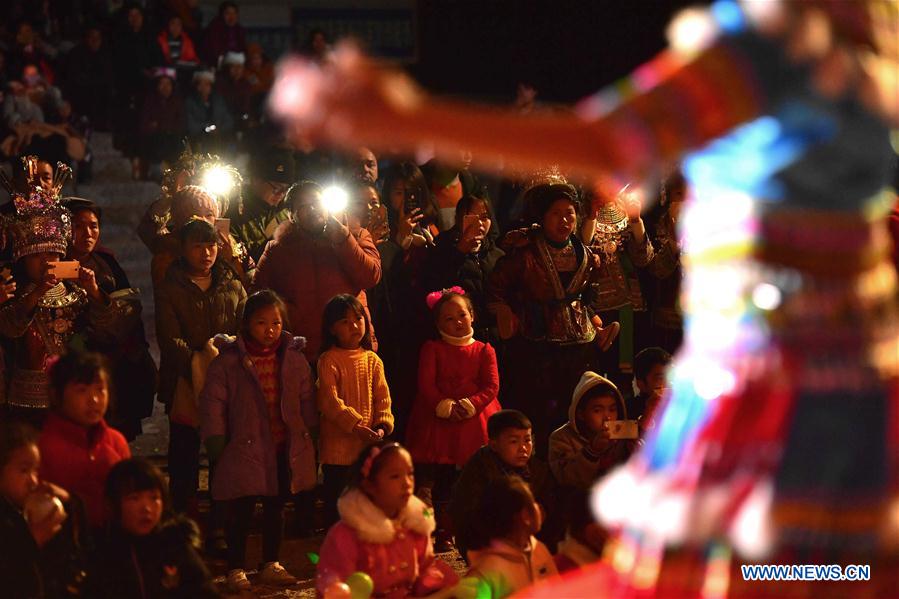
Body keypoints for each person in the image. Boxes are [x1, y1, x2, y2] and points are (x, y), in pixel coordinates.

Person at [268, 0, 899, 593]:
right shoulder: (863, 54)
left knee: (742, 575)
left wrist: (404, 117)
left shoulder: (777, 49)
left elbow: (606, 139)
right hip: (851, 376)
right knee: (822, 571)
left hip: (772, 383)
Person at [487, 173, 617, 455]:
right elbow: (496, 288)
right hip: (538, 341)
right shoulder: (525, 253)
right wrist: (507, 315)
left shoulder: (584, 254)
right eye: (556, 214)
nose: (564, 220)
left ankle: (579, 456)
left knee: (575, 403)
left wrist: (593, 319)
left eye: (569, 214)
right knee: (540, 407)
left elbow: (587, 296)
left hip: (578, 343)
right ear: (543, 218)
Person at [200, 290, 317, 592]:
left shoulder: (293, 359)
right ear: (247, 324)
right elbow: (213, 404)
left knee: (276, 508)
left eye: (276, 323)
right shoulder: (228, 363)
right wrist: (216, 440)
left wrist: (309, 431)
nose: (270, 330)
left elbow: (306, 398)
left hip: (281, 447)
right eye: (261, 322)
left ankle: (270, 563)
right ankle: (236, 567)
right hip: (244, 449)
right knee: (241, 510)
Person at [0, 161, 122, 421]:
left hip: (71, 396)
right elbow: (10, 327)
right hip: (26, 399)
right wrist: (37, 293)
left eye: (53, 254)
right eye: (37, 255)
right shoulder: (15, 292)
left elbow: (108, 327)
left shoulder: (75, 291)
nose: (46, 261)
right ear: (23, 259)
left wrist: (94, 291)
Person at [155, 219, 246, 518]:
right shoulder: (170, 287)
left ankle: (223, 517)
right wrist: (200, 364)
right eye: (198, 247)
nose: (206, 254)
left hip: (227, 382)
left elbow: (244, 328)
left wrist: (225, 365)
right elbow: (169, 339)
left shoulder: (232, 284)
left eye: (211, 246)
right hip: (184, 381)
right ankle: (185, 516)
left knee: (224, 451)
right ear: (183, 249)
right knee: (184, 452)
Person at [405, 288, 500, 551]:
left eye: (462, 315)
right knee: (443, 478)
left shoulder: (484, 350)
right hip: (439, 421)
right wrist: (444, 405)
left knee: (473, 477)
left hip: (475, 420)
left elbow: (492, 386)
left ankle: (473, 528)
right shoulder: (433, 349)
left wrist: (471, 404)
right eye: (449, 318)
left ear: (472, 315)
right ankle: (443, 531)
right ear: (438, 324)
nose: (458, 322)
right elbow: (426, 384)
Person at [254, 182, 382, 363]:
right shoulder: (278, 249)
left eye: (316, 202)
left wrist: (344, 239)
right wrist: (289, 312)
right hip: (303, 351)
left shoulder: (355, 234)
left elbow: (371, 276)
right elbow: (258, 295)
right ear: (291, 214)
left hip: (351, 344)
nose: (313, 209)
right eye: (304, 206)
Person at [316, 441, 459, 597]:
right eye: (395, 476)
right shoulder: (347, 535)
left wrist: (444, 584)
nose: (407, 483)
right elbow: (333, 579)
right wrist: (337, 589)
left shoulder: (413, 527)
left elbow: (425, 569)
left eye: (410, 474)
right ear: (369, 485)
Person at [65, 198, 156, 441]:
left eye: (93, 226)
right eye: (78, 226)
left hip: (117, 362)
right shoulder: (53, 266)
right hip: (77, 364)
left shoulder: (106, 263)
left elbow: (129, 311)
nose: (88, 233)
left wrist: (96, 293)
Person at [91, 458, 219, 598]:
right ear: (113, 504)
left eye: (154, 498)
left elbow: (206, 591)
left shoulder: (175, 546)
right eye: (134, 498)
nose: (146, 508)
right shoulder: (101, 555)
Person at [317, 293, 393, 526]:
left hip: (366, 446)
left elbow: (383, 399)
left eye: (358, 319)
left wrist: (381, 427)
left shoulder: (373, 360)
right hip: (337, 450)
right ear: (332, 328)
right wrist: (356, 425)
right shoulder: (329, 360)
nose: (354, 326)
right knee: (338, 502)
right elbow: (329, 401)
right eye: (345, 321)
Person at [38, 351, 130, 529]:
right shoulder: (42, 447)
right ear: (57, 395)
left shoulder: (116, 441)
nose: (94, 399)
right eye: (82, 390)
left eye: (100, 389)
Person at [450, 410, 557, 561]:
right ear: (494, 445)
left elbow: (549, 502)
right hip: (488, 541)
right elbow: (466, 513)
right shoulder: (480, 468)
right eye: (514, 441)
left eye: (527, 440)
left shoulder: (537, 469)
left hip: (529, 537)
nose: (523, 448)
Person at [0, 420, 89, 598]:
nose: (33, 481)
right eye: (24, 470)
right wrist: (32, 540)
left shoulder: (21, 510)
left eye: (35, 471)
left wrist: (69, 503)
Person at [423, 195, 503, 341]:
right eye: (472, 218)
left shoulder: (496, 254)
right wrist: (459, 252)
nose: (479, 223)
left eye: (484, 217)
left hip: (494, 336)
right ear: (459, 218)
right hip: (458, 337)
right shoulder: (442, 248)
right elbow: (435, 287)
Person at [465, 476, 558, 598]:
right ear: (525, 515)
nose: (539, 508)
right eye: (534, 502)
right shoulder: (486, 573)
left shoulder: (539, 550)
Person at [548, 371, 637, 493]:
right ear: (581, 414)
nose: (607, 417)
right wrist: (592, 450)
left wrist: (637, 453)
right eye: (597, 410)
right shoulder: (562, 438)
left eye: (612, 409)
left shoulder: (623, 435)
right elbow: (566, 479)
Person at [227, 147, 295, 264]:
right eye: (276, 188)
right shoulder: (235, 212)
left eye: (285, 189)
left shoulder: (287, 214)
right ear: (256, 181)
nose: (281, 194)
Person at [138, 68, 186, 177]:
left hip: (173, 144)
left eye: (168, 84)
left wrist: (161, 125)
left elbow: (181, 125)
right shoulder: (150, 102)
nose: (165, 87)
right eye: (162, 84)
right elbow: (145, 125)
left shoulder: (177, 102)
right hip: (155, 146)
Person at [185, 70, 234, 153]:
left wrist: (219, 129)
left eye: (207, 84)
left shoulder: (218, 101)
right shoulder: (190, 102)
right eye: (201, 84)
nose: (204, 87)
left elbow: (228, 119)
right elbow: (190, 123)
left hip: (219, 141)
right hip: (199, 142)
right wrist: (206, 128)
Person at [628, 346, 671, 425]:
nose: (668, 384)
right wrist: (648, 414)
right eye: (660, 378)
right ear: (641, 384)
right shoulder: (629, 410)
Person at [202, 1, 247, 66]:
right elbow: (215, 51)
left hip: (238, 61)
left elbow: (243, 48)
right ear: (221, 15)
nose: (231, 17)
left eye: (234, 13)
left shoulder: (239, 30)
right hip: (220, 62)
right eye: (227, 13)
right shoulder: (214, 29)